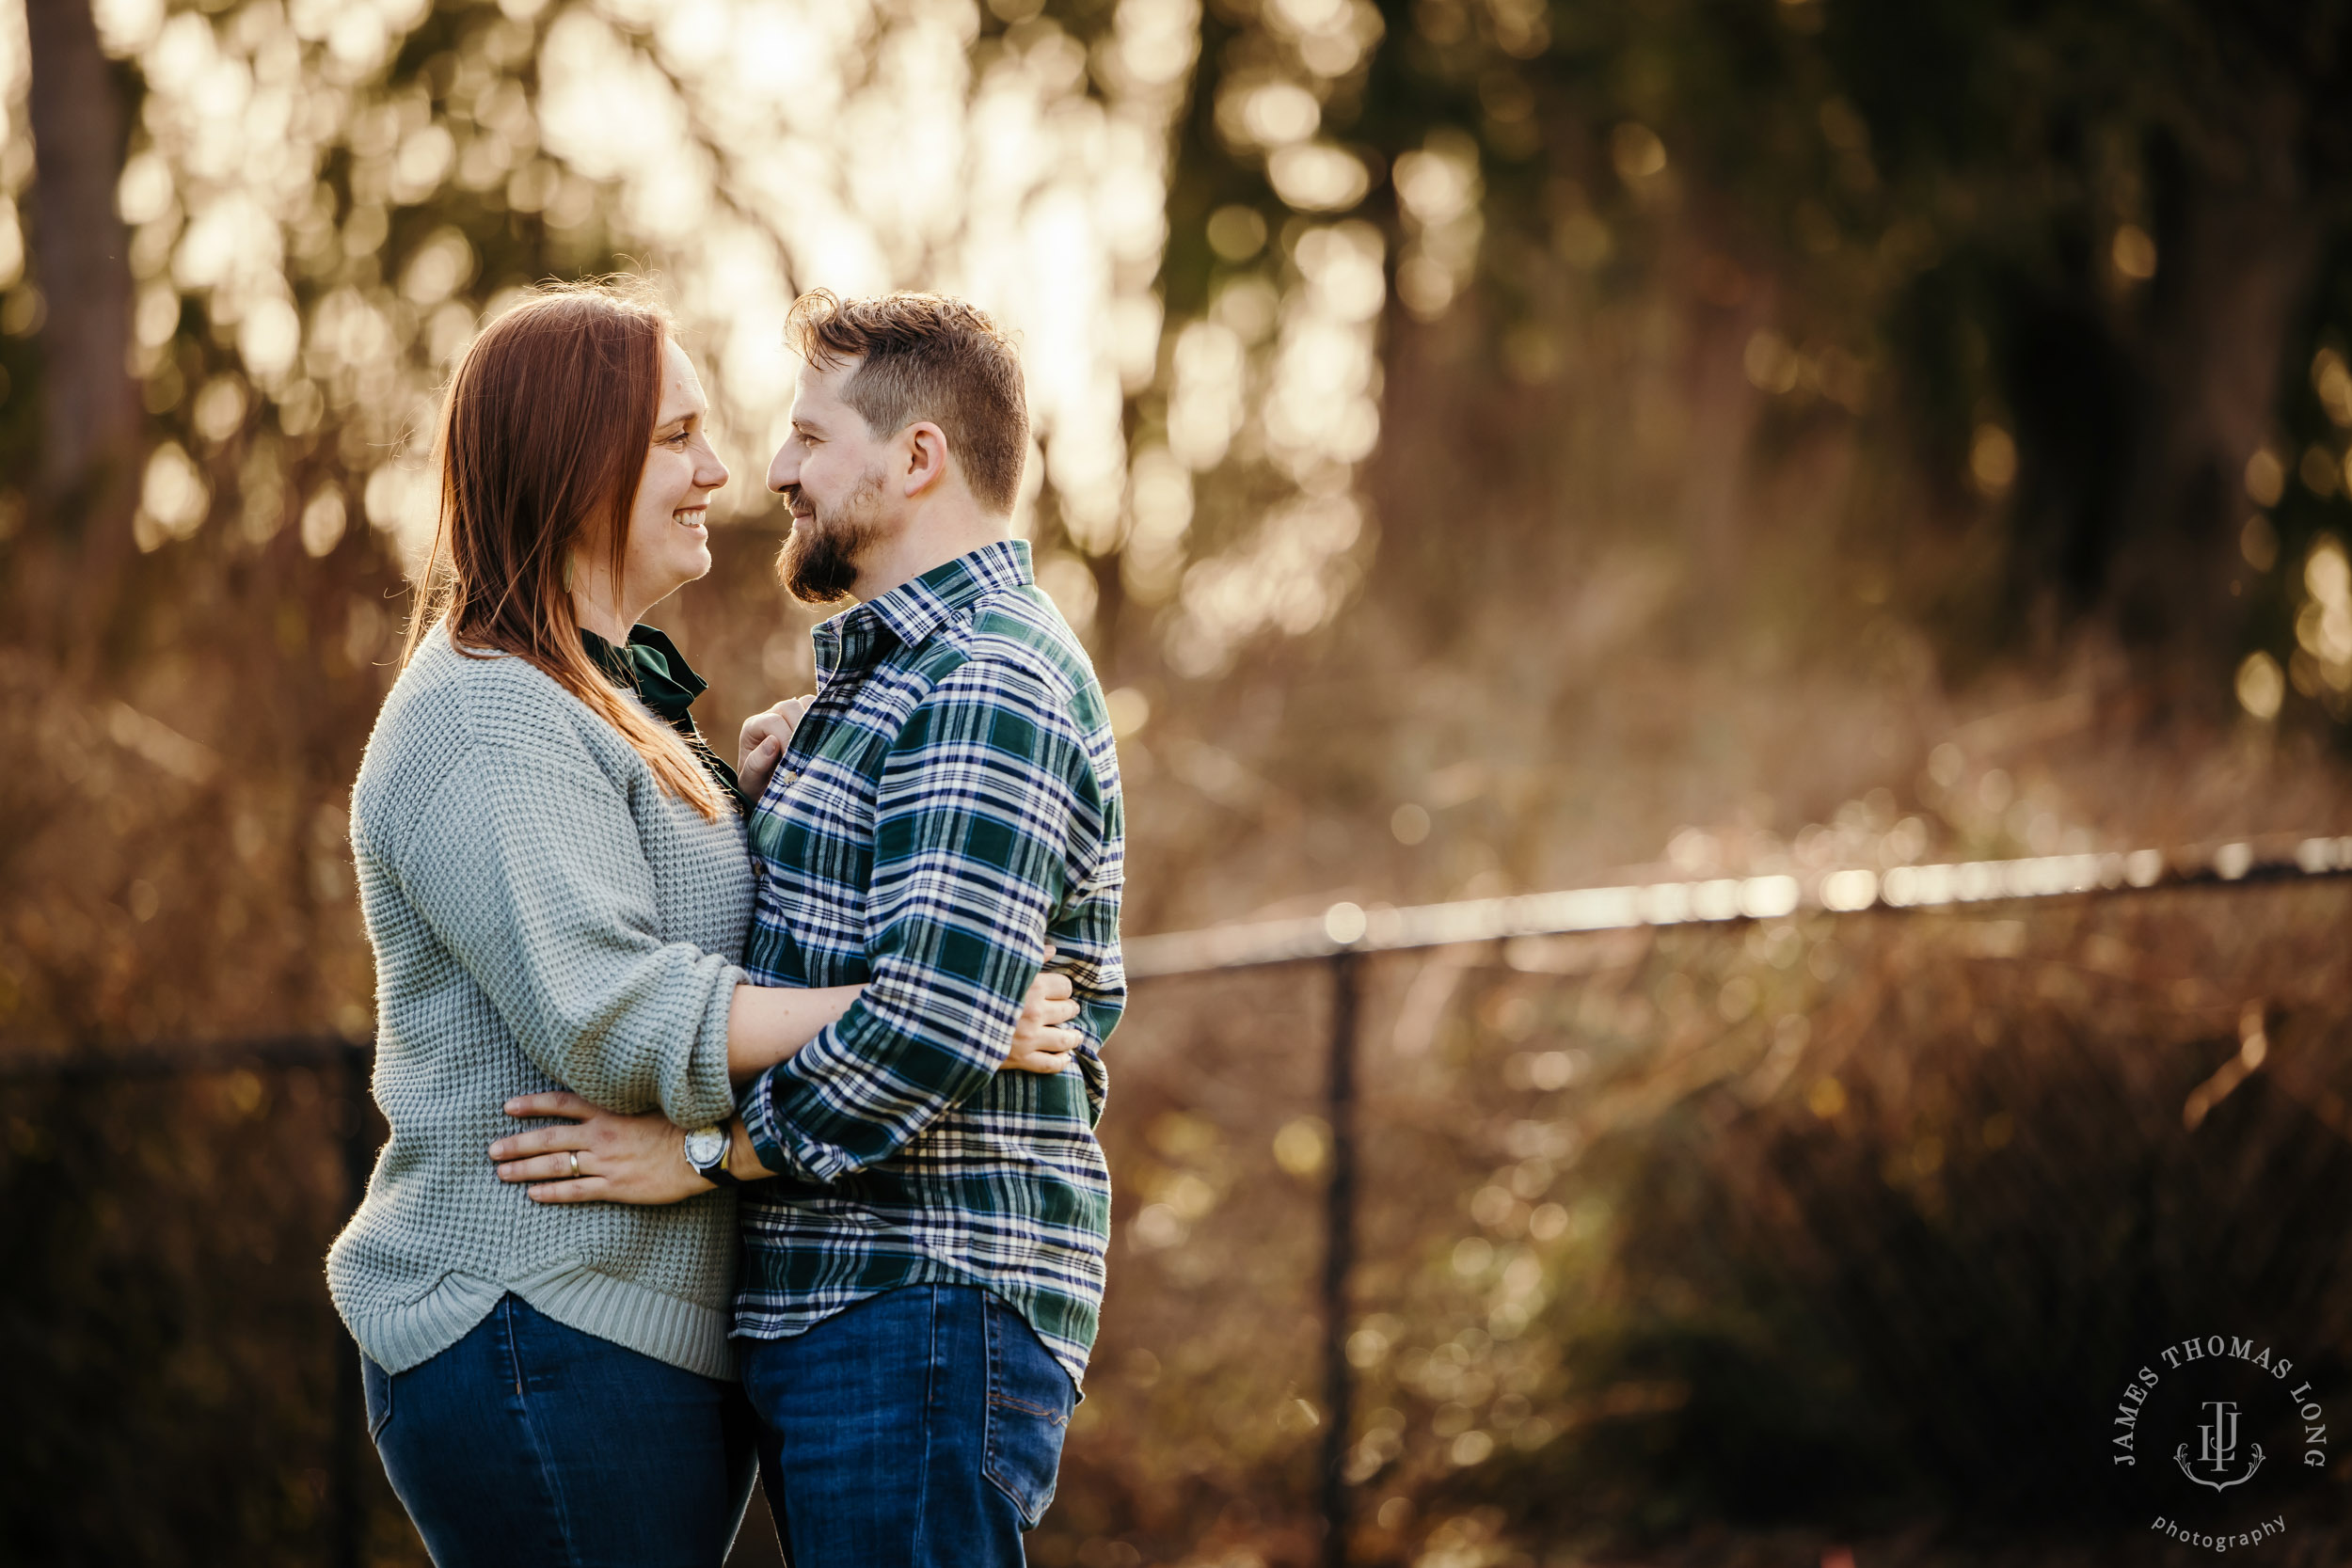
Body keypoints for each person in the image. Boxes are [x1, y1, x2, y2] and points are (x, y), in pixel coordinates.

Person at [327, 279, 1082, 1568]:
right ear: (577, 462)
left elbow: (684, 924)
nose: (724, 471)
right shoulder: (487, 713)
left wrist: (762, 794)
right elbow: (614, 1011)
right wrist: (924, 1012)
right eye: (678, 437)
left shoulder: (609, 705)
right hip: (537, 1317)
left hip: (627, 1329)